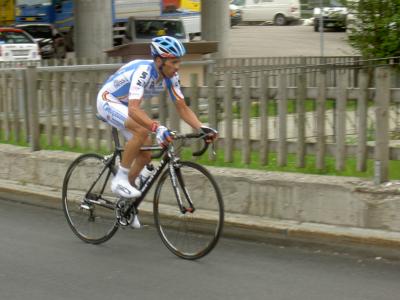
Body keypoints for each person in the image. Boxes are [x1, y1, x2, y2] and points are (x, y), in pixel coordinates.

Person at [97, 35, 217, 199]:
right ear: (159, 61)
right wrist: (157, 128)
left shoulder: (171, 77)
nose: (178, 67)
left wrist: (201, 127)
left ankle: (126, 201)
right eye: (173, 62)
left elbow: (182, 108)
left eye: (179, 61)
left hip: (124, 105)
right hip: (108, 100)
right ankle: (120, 180)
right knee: (141, 131)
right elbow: (133, 109)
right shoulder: (143, 72)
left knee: (145, 155)